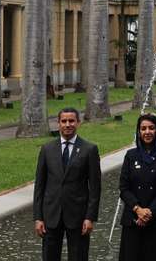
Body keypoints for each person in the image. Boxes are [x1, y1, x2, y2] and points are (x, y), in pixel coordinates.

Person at [33, 107, 101, 261]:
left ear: (78, 123)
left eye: (71, 121)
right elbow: (40, 186)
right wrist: (38, 218)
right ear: (58, 123)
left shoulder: (89, 149)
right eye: (64, 121)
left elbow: (95, 188)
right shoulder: (47, 149)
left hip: (78, 216)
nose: (68, 124)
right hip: (51, 215)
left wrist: (90, 217)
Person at [118, 113, 156, 261]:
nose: (147, 132)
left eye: (151, 128)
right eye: (143, 128)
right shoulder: (130, 156)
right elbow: (123, 188)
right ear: (138, 132)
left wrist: (149, 213)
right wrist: (138, 209)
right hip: (133, 221)